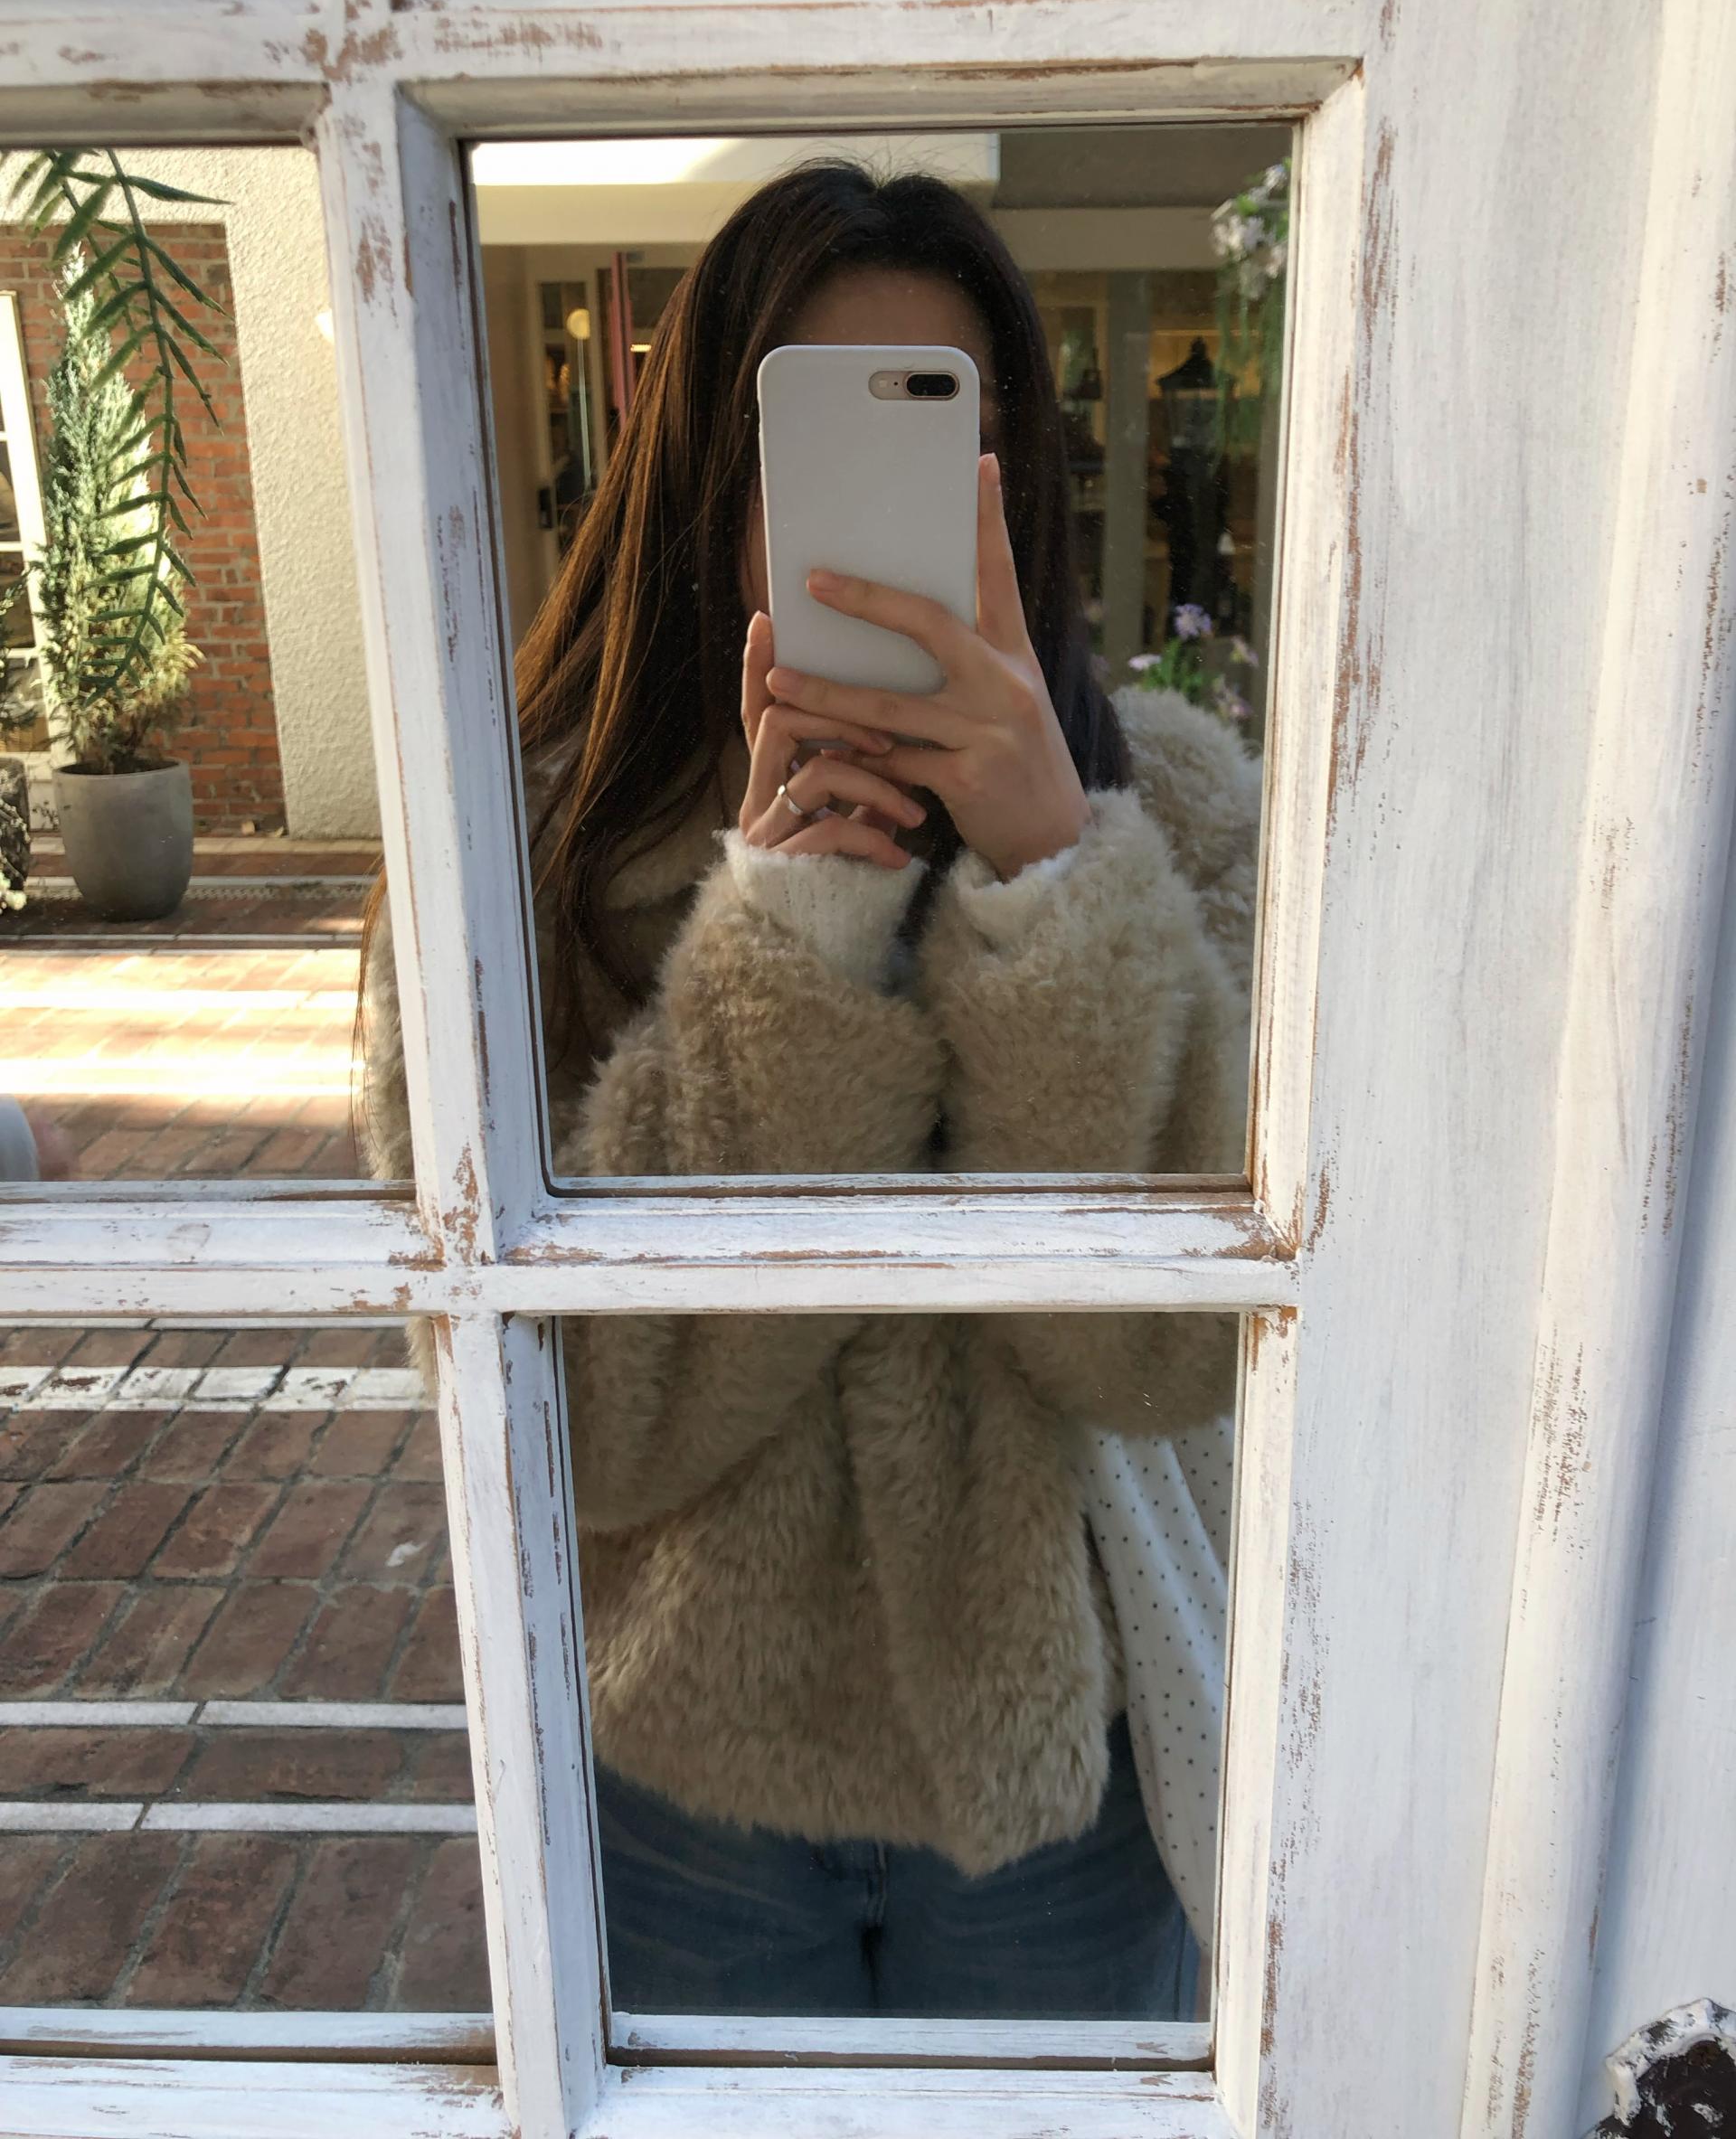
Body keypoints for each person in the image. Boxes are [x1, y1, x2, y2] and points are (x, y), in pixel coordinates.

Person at [360, 162, 1261, 2019]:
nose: (895, 521)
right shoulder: (514, 850)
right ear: (711, 475)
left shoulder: (1174, 820)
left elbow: (1169, 1353)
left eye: (954, 449)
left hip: (1061, 1761)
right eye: (823, 449)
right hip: (681, 1767)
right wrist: (786, 929)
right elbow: (573, 1426)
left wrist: (1056, 881)